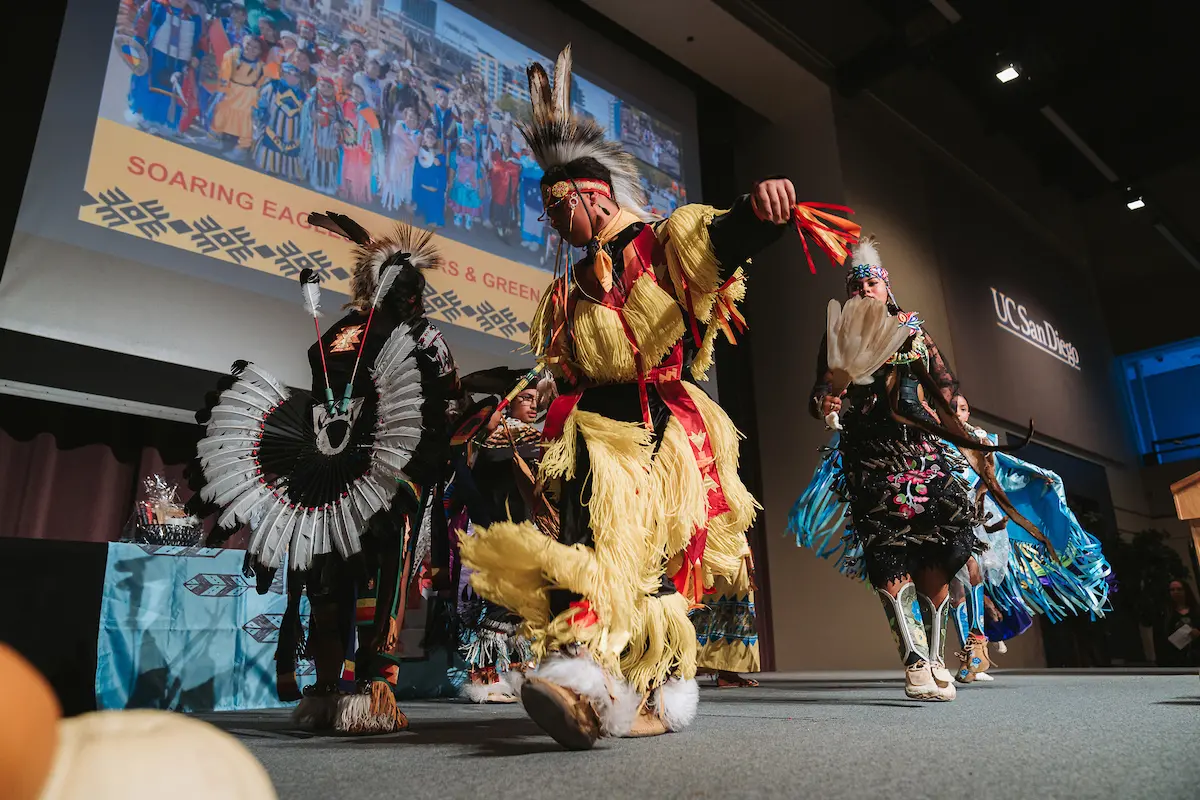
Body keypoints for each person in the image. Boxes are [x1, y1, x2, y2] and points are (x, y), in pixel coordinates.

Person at [456, 45, 814, 750]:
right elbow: (560, 367)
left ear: (593, 195)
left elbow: (721, 240)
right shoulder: (567, 288)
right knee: (585, 545)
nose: (554, 227)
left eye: (560, 212)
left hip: (658, 423)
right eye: (550, 216)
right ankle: (584, 681)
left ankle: (648, 687)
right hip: (592, 425)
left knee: (648, 562)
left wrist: (760, 213)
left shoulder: (659, 242)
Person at [187, 213, 463, 735]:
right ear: (412, 296)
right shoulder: (422, 335)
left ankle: (326, 690)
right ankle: (374, 689)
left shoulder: (336, 331)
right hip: (385, 468)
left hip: (325, 466)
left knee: (330, 567)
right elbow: (448, 400)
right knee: (382, 570)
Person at [806, 236, 993, 702]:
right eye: (857, 283)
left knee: (944, 546)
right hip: (871, 454)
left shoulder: (913, 330)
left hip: (924, 450)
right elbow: (820, 392)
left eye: (872, 281)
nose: (865, 287)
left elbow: (946, 387)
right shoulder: (838, 338)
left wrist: (967, 429)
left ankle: (933, 658)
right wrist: (825, 400)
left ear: (886, 287)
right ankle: (913, 663)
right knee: (889, 550)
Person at [444, 380, 548, 703]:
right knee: (498, 607)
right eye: (526, 399)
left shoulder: (530, 441)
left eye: (536, 400)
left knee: (520, 610)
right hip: (495, 533)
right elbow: (472, 489)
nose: (533, 406)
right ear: (509, 404)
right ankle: (484, 679)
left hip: (522, 535)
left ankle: (519, 675)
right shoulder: (492, 441)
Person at [127, 0, 204, 135]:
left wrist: (197, 56)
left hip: (180, 62)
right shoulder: (155, 6)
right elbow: (141, 25)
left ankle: (163, 123)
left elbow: (201, 42)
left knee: (171, 93)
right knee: (152, 87)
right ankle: (147, 118)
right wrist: (138, 44)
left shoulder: (195, 18)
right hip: (156, 55)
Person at [209, 36, 266, 158]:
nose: (251, 48)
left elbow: (261, 83)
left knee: (245, 121)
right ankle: (213, 138)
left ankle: (242, 148)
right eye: (248, 44)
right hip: (231, 89)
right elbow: (225, 72)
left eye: (255, 47)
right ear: (243, 43)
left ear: (260, 51)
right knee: (221, 112)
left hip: (248, 94)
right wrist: (222, 90)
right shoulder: (233, 55)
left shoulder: (260, 66)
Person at [299, 75, 345, 195]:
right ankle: (313, 181)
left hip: (330, 141)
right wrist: (312, 117)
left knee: (329, 161)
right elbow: (304, 117)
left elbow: (342, 122)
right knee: (314, 159)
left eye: (329, 87)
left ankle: (327, 184)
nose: (325, 89)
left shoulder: (337, 106)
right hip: (314, 137)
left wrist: (338, 125)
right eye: (323, 85)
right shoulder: (311, 102)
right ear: (317, 86)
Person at [340, 84, 381, 204]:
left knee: (359, 169)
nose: (358, 95)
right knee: (348, 167)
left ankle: (356, 192)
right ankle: (346, 189)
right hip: (349, 142)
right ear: (351, 93)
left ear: (364, 96)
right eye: (355, 92)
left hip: (362, 145)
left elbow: (375, 130)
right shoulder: (347, 105)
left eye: (360, 93)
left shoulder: (368, 110)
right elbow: (345, 121)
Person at [381, 106, 420, 212]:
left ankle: (406, 202)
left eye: (414, 118)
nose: (412, 120)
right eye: (410, 117)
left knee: (407, 182)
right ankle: (393, 199)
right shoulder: (399, 125)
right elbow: (404, 142)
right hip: (397, 158)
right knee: (394, 178)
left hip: (408, 162)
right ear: (405, 116)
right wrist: (411, 146)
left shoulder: (417, 133)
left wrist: (410, 152)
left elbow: (416, 151)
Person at [1155, 579, 1200, 667]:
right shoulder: (1164, 614)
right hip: (1173, 660)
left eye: (1179, 589)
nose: (1176, 592)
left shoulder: (1196, 612)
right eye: (1172, 590)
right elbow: (1160, 639)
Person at [488, 130, 521, 243]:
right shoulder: (496, 153)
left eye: (507, 139)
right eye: (503, 139)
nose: (505, 141)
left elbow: (517, 169)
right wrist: (505, 168)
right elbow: (495, 167)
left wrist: (509, 167)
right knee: (498, 204)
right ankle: (498, 225)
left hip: (510, 186)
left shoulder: (514, 155)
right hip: (499, 185)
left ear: (510, 141)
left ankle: (504, 225)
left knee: (507, 206)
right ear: (500, 140)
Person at [412, 128, 448, 228]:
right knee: (422, 200)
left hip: (433, 185)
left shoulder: (439, 155)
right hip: (422, 184)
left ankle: (434, 218)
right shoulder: (420, 152)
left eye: (433, 138)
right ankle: (421, 210)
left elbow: (441, 171)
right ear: (424, 139)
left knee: (433, 199)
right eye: (428, 137)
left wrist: (438, 162)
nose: (430, 139)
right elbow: (417, 169)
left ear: (436, 140)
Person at [448, 138, 483, 230]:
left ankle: (468, 217)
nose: (466, 151)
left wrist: (481, 188)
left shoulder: (476, 163)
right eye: (463, 148)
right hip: (459, 185)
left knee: (470, 202)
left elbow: (479, 176)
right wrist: (450, 181)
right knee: (459, 199)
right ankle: (458, 215)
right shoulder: (457, 159)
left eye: (468, 149)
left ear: (472, 150)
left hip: (472, 187)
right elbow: (452, 170)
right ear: (460, 149)